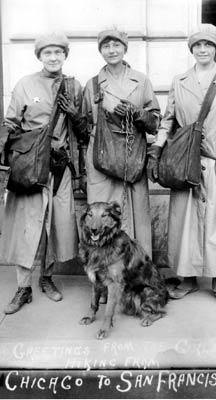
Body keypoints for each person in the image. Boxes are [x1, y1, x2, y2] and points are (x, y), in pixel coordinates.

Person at [147, 24, 216, 306]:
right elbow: (168, 122)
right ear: (192, 49)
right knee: (185, 222)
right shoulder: (179, 81)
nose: (202, 50)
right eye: (197, 45)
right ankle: (188, 279)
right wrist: (156, 150)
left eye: (208, 45)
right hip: (184, 164)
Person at [0, 32, 86, 314]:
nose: (53, 58)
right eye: (47, 53)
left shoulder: (74, 87)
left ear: (65, 56)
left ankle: (46, 278)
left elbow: (84, 132)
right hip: (30, 168)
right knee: (26, 227)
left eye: (58, 53)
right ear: (39, 56)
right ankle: (23, 287)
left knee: (54, 225)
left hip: (60, 167)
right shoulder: (25, 84)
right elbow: (10, 123)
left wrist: (74, 115)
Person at [82, 28, 160, 257]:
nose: (111, 50)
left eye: (116, 45)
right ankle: (103, 280)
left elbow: (155, 122)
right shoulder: (93, 84)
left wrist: (136, 113)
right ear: (100, 51)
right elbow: (85, 124)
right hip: (101, 158)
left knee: (136, 217)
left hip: (131, 156)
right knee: (101, 217)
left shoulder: (141, 81)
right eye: (106, 46)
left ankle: (138, 274)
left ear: (125, 48)